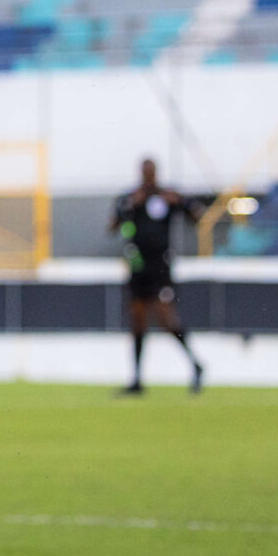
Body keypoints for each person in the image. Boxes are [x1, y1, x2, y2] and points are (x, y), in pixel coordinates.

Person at [110, 159, 204, 396]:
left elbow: (197, 213)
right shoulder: (131, 198)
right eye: (145, 172)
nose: (148, 176)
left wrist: (182, 202)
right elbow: (112, 225)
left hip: (160, 266)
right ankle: (137, 379)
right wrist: (130, 205)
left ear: (156, 173)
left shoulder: (167, 196)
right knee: (137, 319)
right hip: (137, 265)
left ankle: (195, 364)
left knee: (165, 317)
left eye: (151, 172)